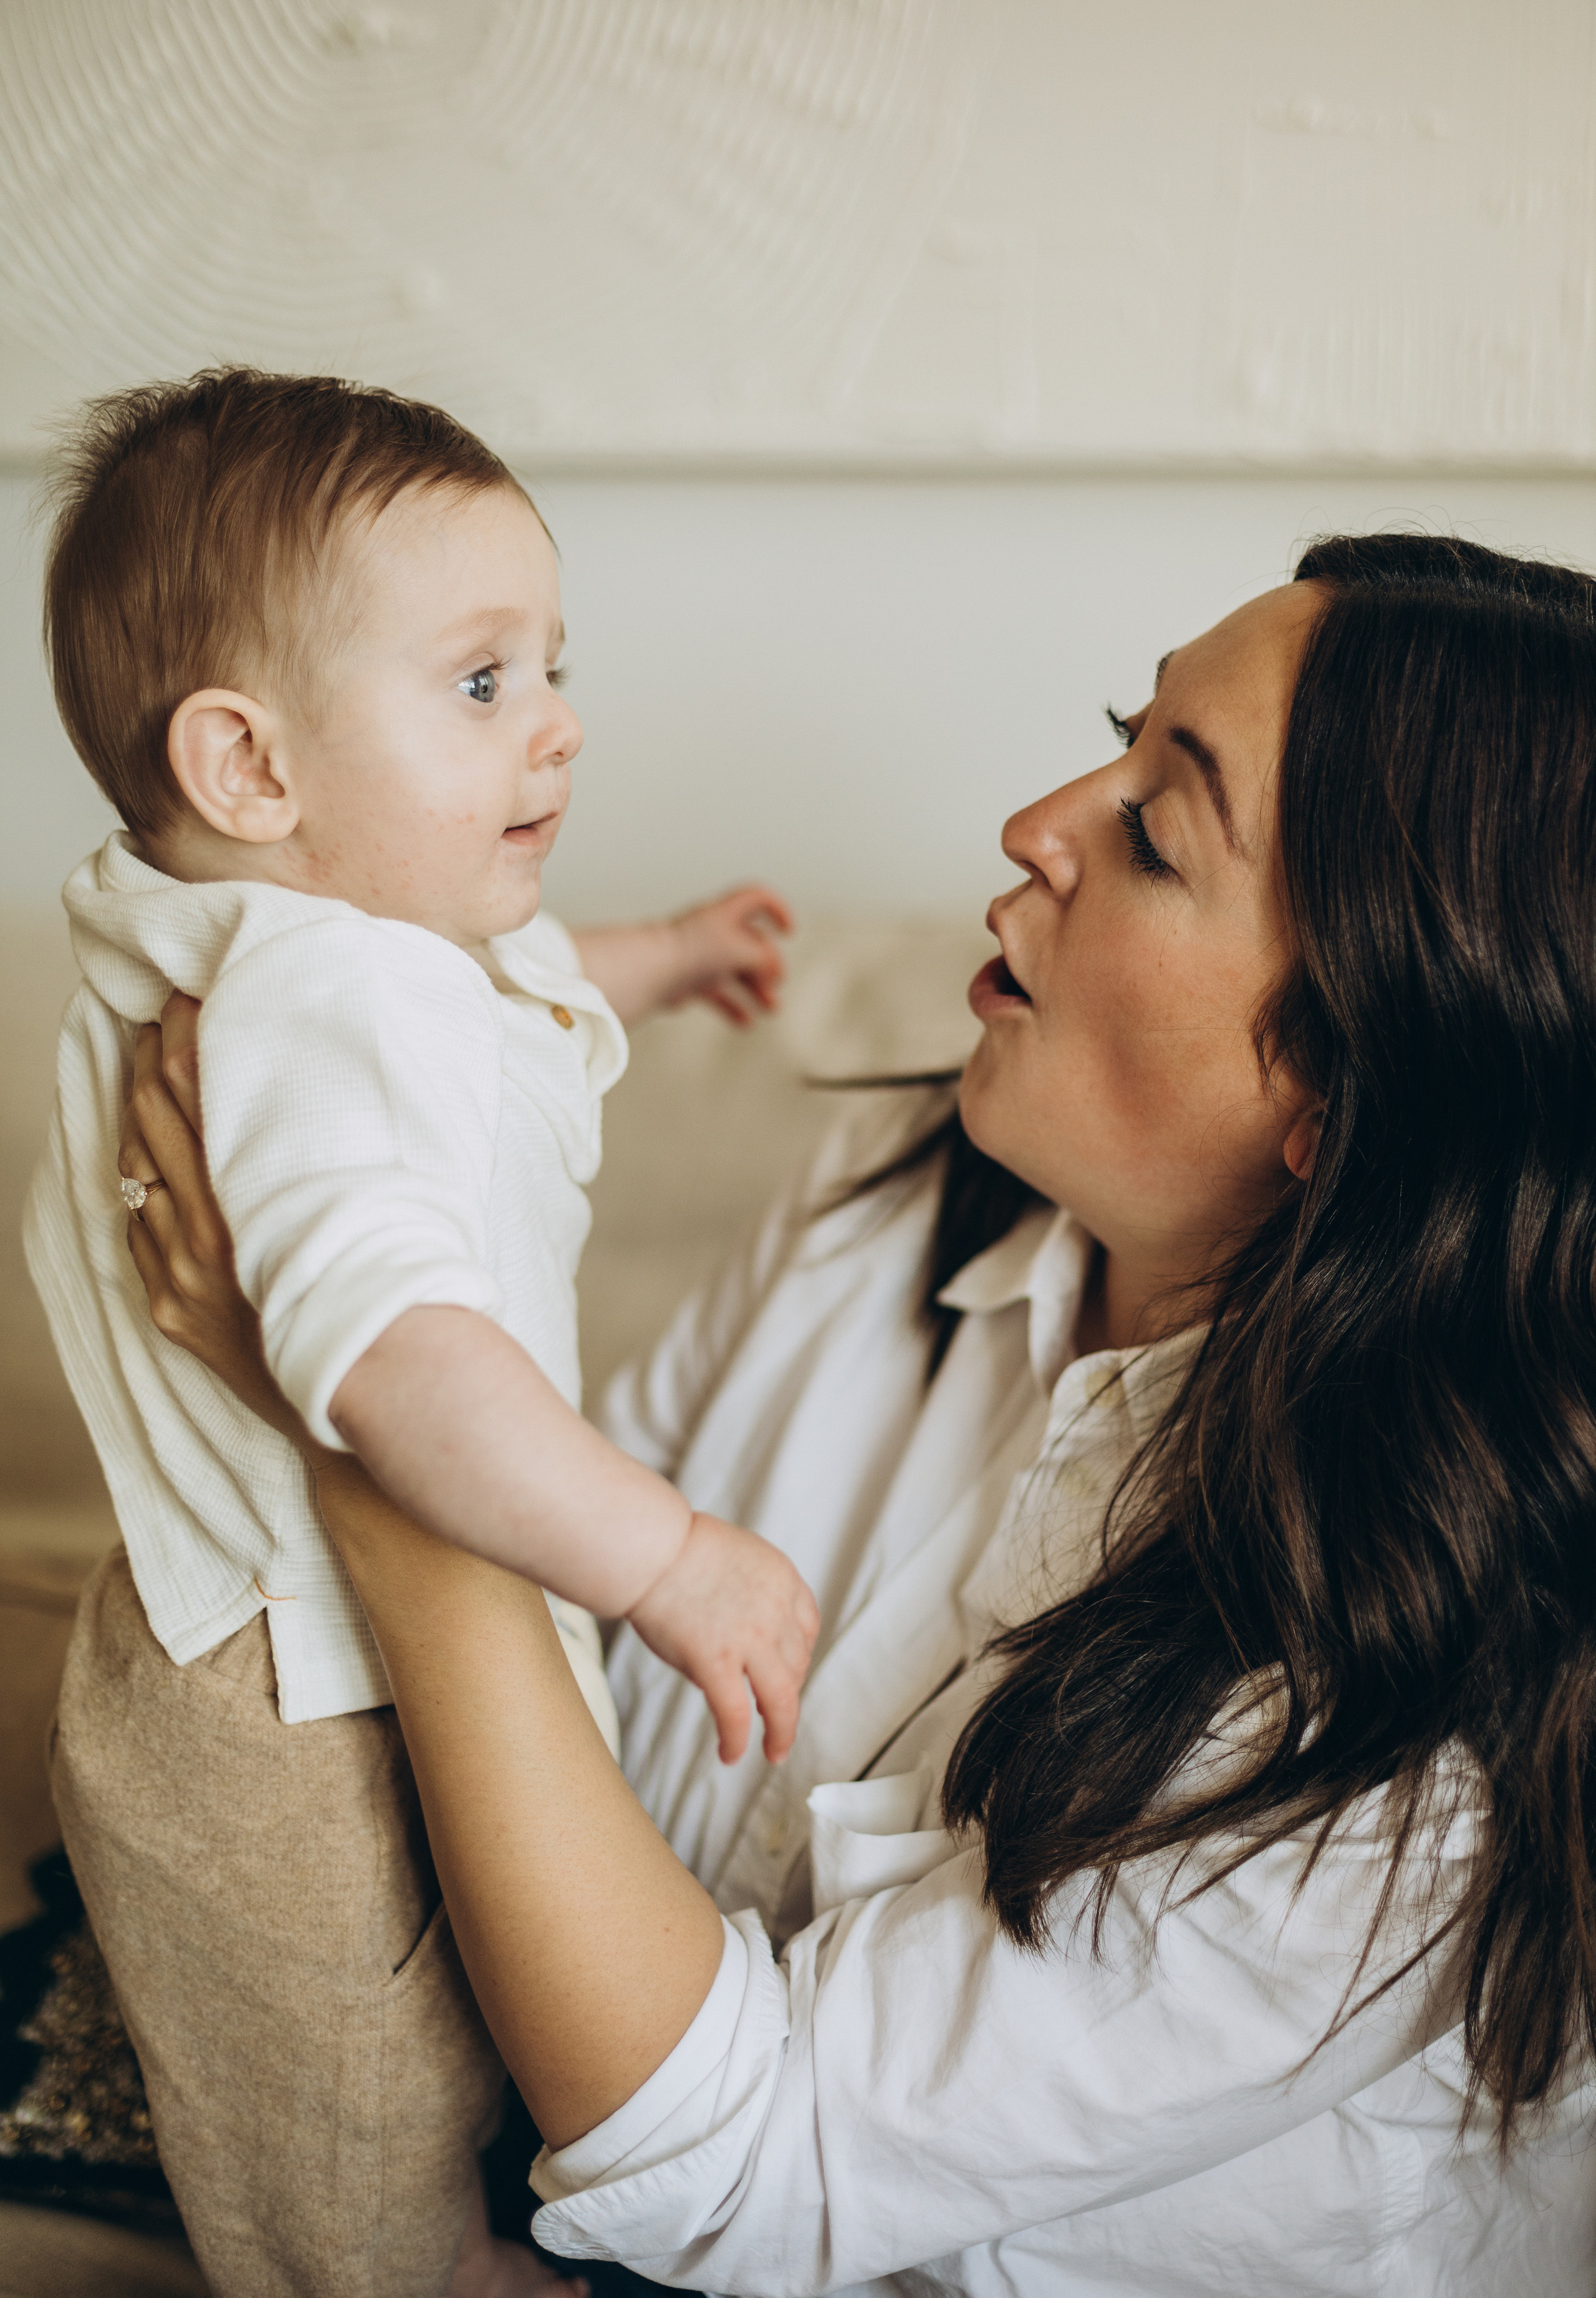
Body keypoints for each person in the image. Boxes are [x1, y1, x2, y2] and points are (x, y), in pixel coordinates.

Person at [124, 534, 1596, 2294]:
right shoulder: (890, 1197)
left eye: (1152, 827)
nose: (1035, 824)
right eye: (1121, 737)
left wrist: (358, 1443)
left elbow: (737, 2170)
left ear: (1345, 1093)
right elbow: (572, 1666)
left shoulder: (1411, 1739)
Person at [26, 368, 817, 2298]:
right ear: (252, 772)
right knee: (344, 2109)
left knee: (419, 2013)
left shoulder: (345, 945)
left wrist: (662, 957)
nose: (555, 727)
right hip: (283, 1712)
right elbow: (382, 1358)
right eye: (481, 684)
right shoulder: (321, 992)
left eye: (552, 667)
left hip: (299, 1647)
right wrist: (665, 1554)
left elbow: (509, 987)